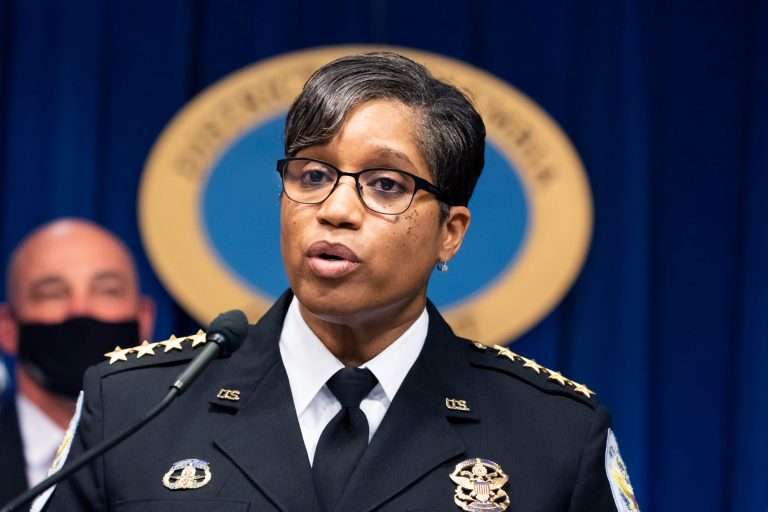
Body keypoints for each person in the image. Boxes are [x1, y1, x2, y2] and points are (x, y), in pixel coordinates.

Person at [42, 53, 639, 511]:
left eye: (385, 184)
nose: (335, 209)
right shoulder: (132, 409)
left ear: (450, 232)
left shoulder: (557, 436)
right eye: (312, 174)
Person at [0, 218, 154, 505]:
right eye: (52, 293)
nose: (80, 309)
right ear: (7, 328)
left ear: (144, 320)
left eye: (107, 290)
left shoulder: (188, 452)